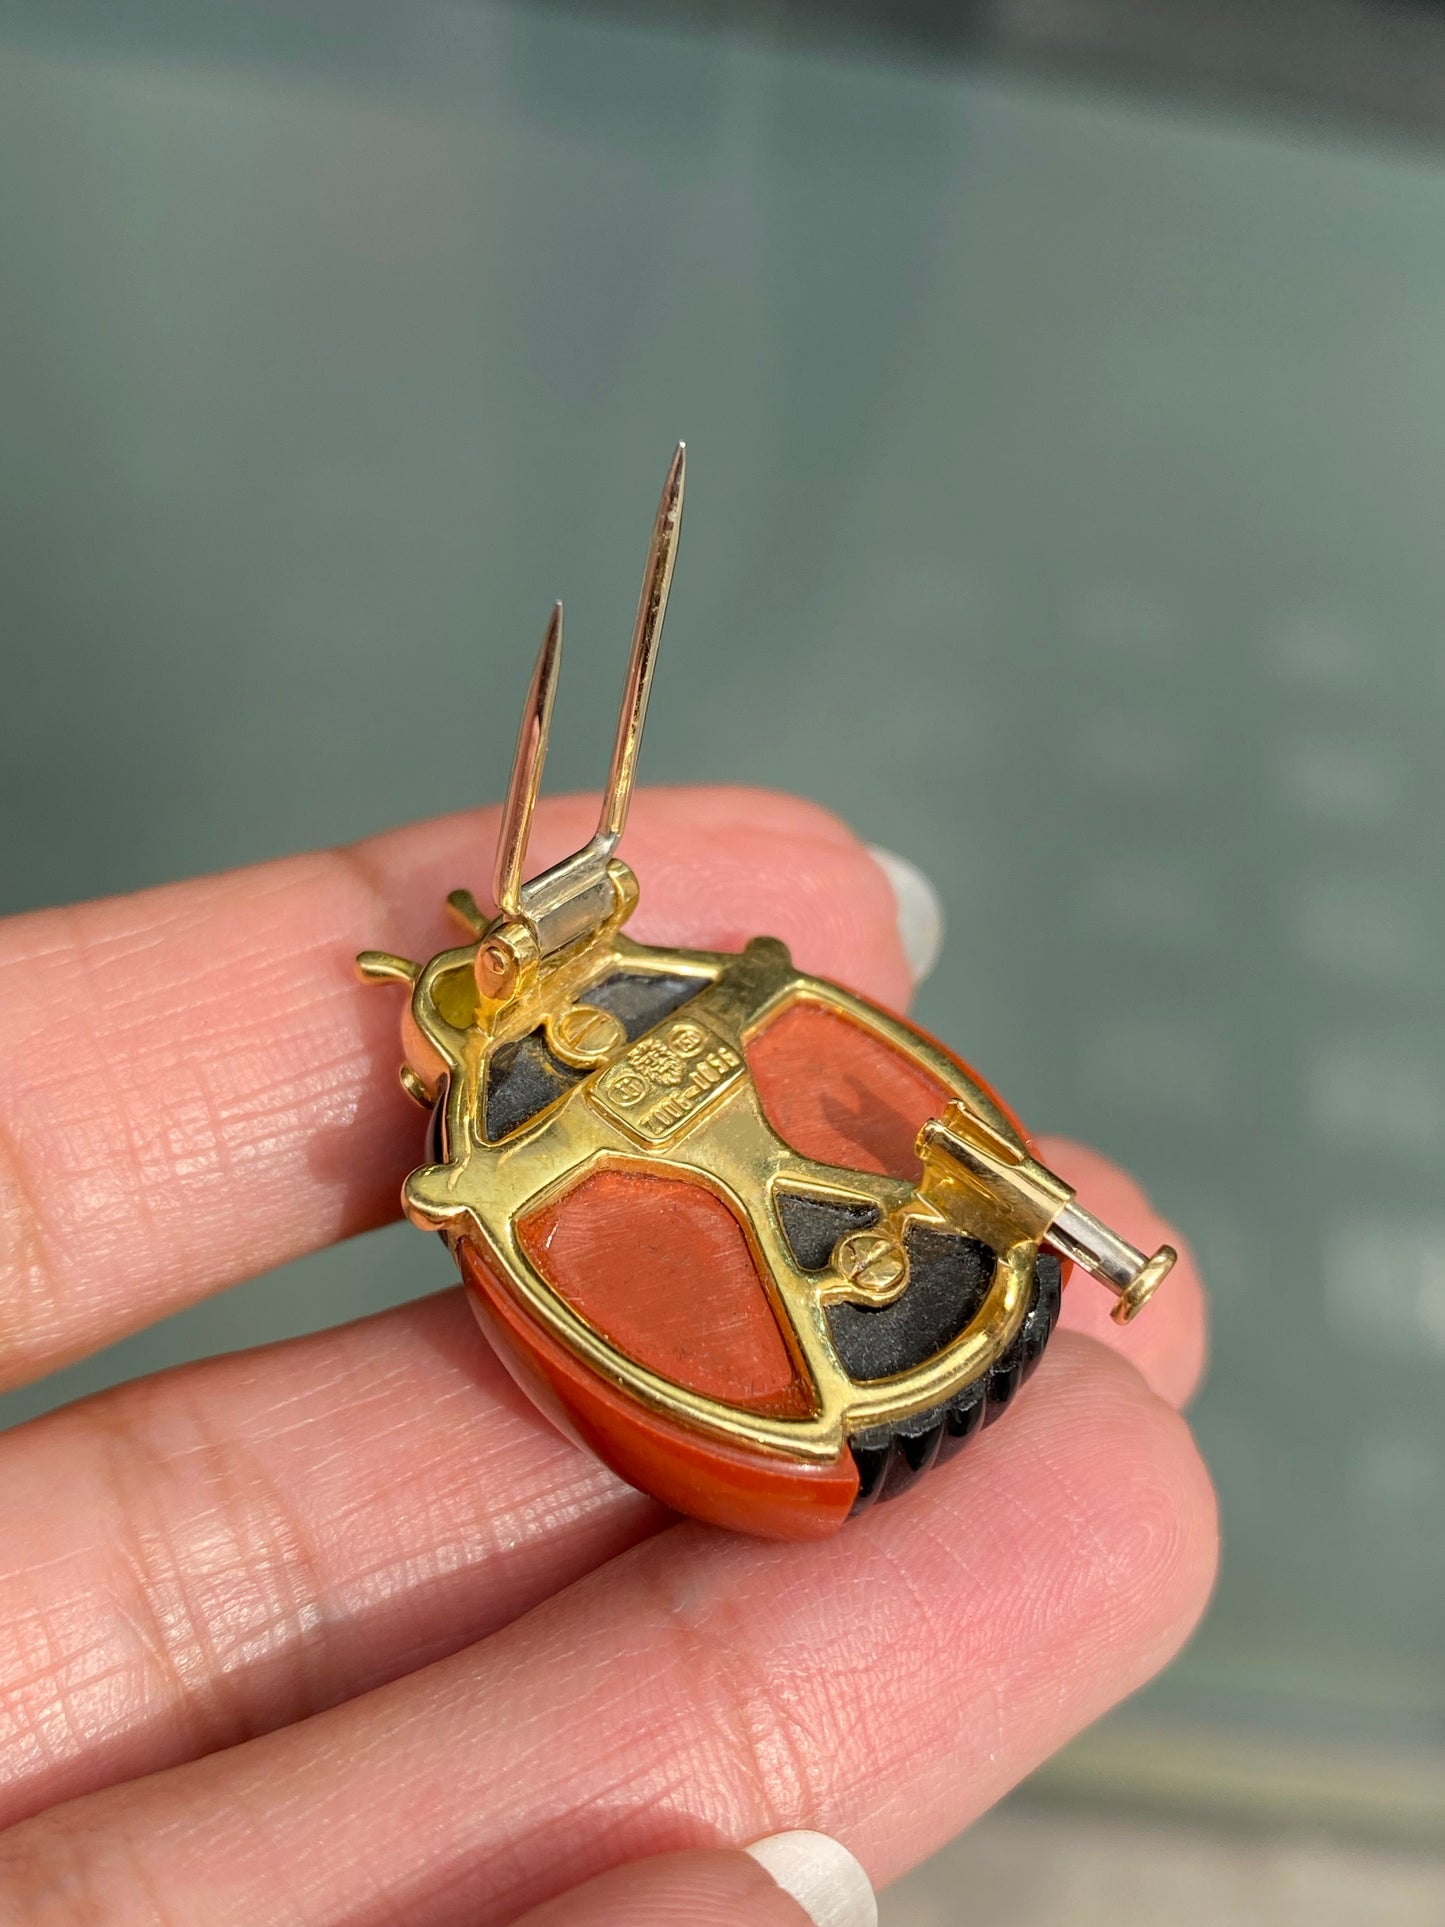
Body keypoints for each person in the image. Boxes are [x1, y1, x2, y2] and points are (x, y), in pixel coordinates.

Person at [0, 787, 1215, 1926]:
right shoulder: (531, 1091)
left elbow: (750, 1021)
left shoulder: (551, 1072)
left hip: (898, 1359)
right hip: (833, 1405)